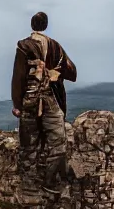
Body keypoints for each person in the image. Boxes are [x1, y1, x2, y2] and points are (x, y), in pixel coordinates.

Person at [11, 11, 77, 193]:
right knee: (58, 141)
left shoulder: (24, 46)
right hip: (50, 99)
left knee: (28, 144)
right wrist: (55, 73)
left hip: (30, 100)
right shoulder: (55, 47)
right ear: (46, 25)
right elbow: (72, 72)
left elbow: (18, 78)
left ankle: (29, 185)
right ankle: (49, 181)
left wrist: (17, 105)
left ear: (32, 25)